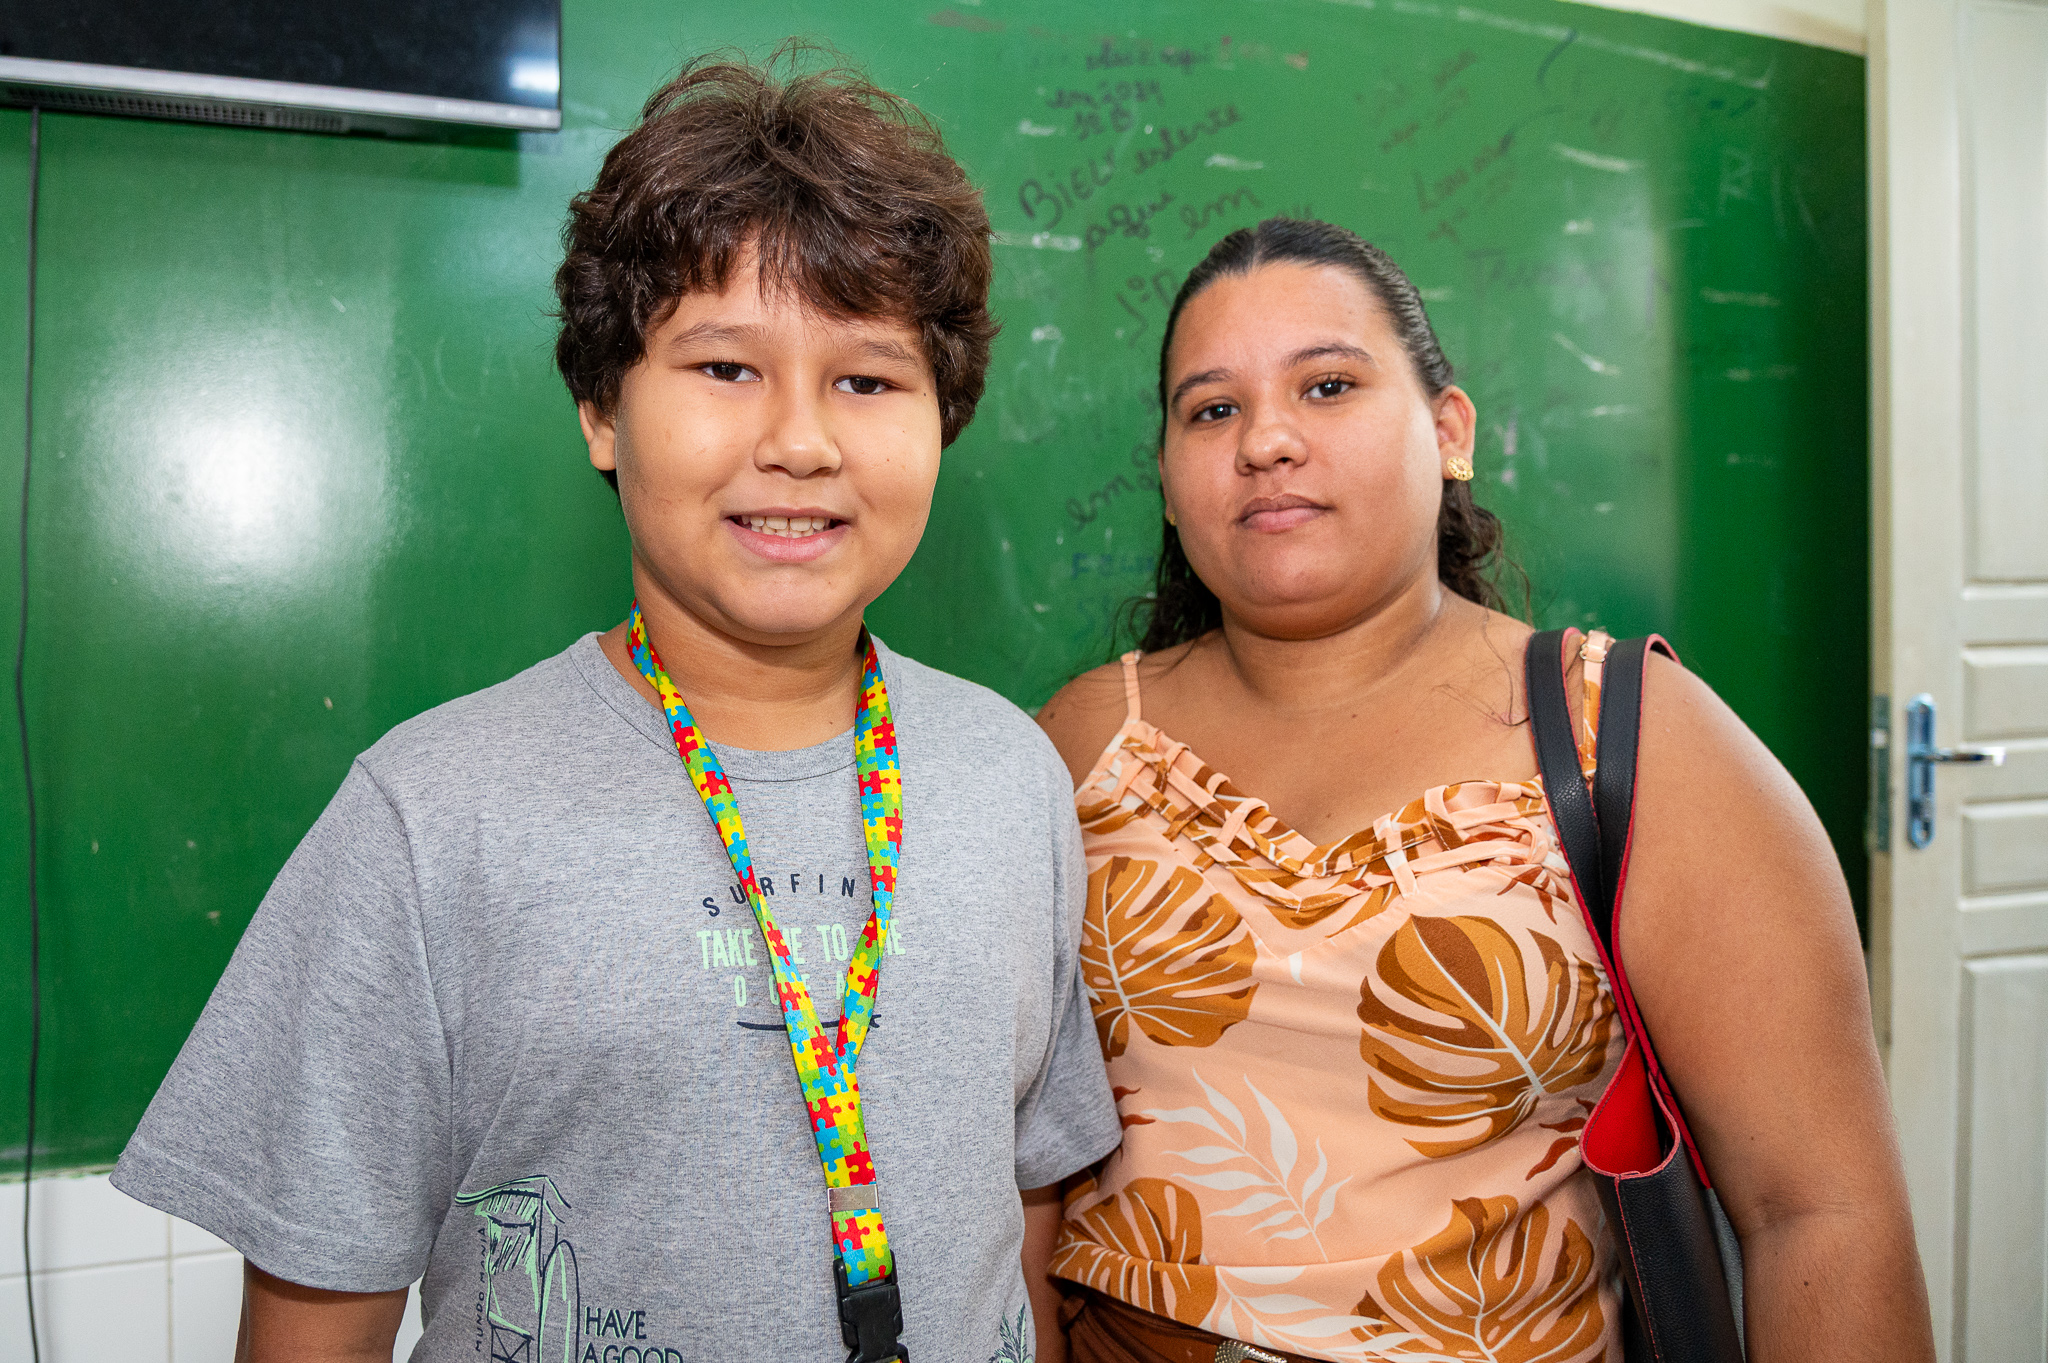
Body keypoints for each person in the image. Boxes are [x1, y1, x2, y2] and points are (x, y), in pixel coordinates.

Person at [112, 54, 1119, 1363]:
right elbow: (315, 1323)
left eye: (868, 380)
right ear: (601, 407)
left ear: (943, 418)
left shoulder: (1010, 773)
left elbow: (1024, 1208)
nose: (801, 441)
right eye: (726, 367)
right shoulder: (431, 816)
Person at [1033, 218, 1934, 1363]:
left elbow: (1820, 1211)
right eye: (1211, 410)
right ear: (1167, 482)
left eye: (1326, 385)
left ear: (1448, 431)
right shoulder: (1080, 744)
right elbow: (1012, 1173)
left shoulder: (1632, 737)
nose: (1265, 439)